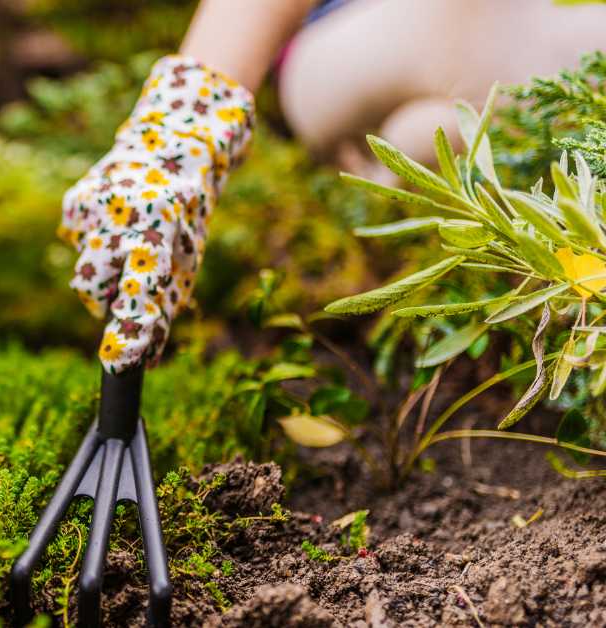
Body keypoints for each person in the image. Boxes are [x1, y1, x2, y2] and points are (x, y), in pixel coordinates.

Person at [60, 0, 606, 375]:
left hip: (337, 70)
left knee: (428, 132)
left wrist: (176, 132)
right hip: (410, 33)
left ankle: (411, 153)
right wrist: (177, 136)